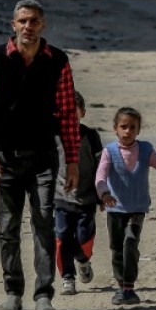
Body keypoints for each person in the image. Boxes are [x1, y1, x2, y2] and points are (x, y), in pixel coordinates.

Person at [0, 0, 80, 310]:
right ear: (13, 25)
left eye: (34, 21)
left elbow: (67, 117)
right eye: (22, 21)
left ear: (43, 25)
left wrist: (72, 160)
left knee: (44, 224)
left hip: (44, 158)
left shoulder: (57, 61)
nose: (28, 27)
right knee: (8, 228)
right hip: (5, 157)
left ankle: (43, 295)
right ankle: (13, 292)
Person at [95, 107, 156, 306]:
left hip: (137, 209)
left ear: (138, 130)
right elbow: (100, 175)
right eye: (123, 127)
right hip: (115, 209)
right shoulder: (109, 151)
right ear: (115, 128)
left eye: (132, 127)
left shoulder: (145, 150)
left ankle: (129, 287)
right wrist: (104, 193)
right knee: (117, 248)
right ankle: (121, 285)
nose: (128, 131)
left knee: (130, 243)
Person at [54, 91, 103, 296]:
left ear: (82, 112)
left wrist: (102, 193)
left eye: (73, 113)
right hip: (60, 196)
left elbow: (101, 165)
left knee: (83, 236)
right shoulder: (53, 136)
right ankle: (68, 277)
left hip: (87, 197)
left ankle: (83, 261)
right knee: (63, 236)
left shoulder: (91, 136)